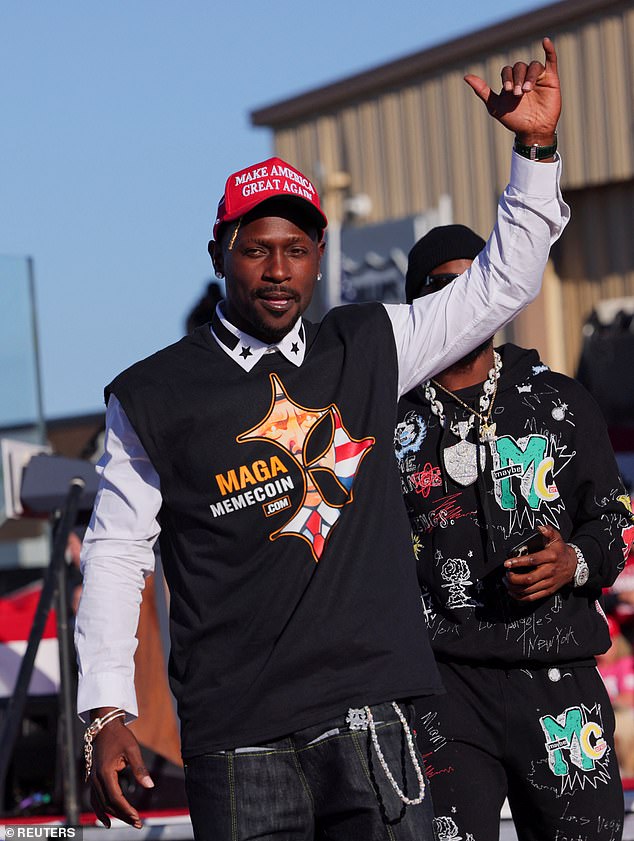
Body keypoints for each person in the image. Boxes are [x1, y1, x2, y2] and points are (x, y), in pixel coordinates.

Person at [75, 39, 568, 841]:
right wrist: (104, 711)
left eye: (297, 250)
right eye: (257, 248)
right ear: (217, 253)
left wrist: (535, 150)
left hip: (371, 713)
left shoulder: (367, 343)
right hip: (237, 737)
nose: (278, 270)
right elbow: (117, 550)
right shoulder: (152, 393)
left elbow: (502, 283)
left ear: (319, 258)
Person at [395, 223, 634, 840]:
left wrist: (574, 560)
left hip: (560, 678)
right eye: (442, 288)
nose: (464, 301)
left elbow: (614, 520)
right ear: (415, 304)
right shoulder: (387, 421)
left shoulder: (559, 400)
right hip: (441, 687)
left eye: (477, 283)